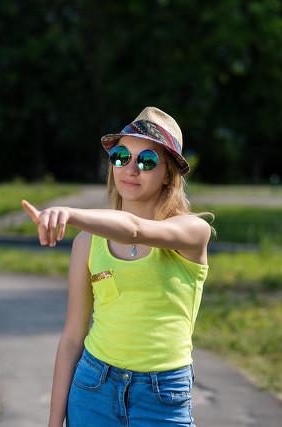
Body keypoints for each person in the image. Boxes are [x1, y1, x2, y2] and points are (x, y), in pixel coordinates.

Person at [22, 107, 212, 427]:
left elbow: (135, 229)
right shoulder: (87, 243)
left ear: (168, 174)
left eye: (147, 161)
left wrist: (69, 213)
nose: (131, 168)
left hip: (162, 395)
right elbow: (72, 337)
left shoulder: (192, 232)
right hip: (93, 386)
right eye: (121, 156)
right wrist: (55, 422)